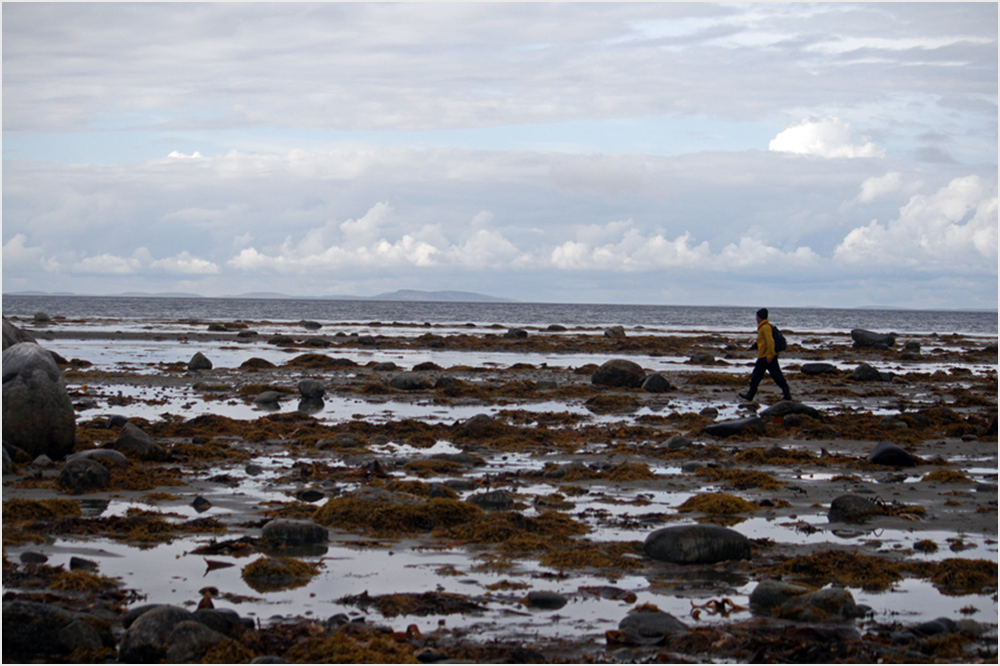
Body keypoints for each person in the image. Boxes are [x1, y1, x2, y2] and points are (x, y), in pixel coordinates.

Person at [738, 308, 791, 402]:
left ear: (759, 317)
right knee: (776, 375)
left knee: (757, 376)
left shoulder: (765, 327)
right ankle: (787, 394)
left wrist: (770, 355)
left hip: (765, 356)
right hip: (767, 356)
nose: (756, 318)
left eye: (756, 316)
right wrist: (755, 346)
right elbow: (762, 341)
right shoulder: (765, 326)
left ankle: (750, 395)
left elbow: (770, 342)